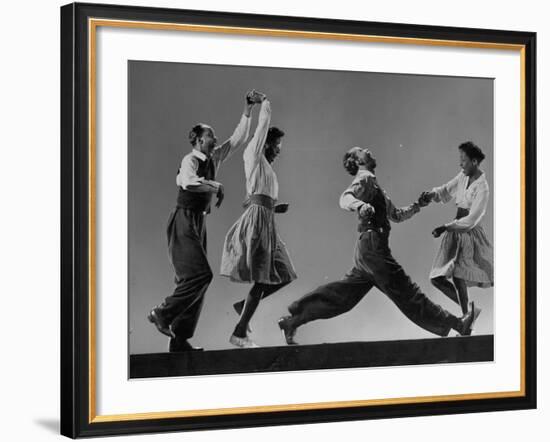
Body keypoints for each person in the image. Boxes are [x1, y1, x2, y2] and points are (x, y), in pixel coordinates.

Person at [278, 146, 477, 345]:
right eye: (361, 151)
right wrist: (361, 205)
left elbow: (397, 215)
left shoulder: (374, 186)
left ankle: (293, 321)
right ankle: (459, 324)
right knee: (407, 291)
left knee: (342, 298)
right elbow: (345, 198)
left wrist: (418, 205)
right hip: (373, 248)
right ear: (357, 162)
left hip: (367, 250)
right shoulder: (364, 180)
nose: (367, 150)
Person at [147, 90, 261, 352]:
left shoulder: (213, 158)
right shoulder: (190, 160)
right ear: (198, 140)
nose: (215, 138)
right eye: (210, 135)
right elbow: (187, 182)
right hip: (182, 221)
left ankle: (179, 340)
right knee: (199, 276)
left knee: (194, 280)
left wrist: (247, 110)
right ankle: (161, 313)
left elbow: (238, 138)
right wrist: (215, 185)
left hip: (198, 223)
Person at [220, 95, 297, 348]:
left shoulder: (267, 170)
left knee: (284, 274)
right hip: (257, 225)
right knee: (263, 280)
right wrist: (263, 102)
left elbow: (251, 197)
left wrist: (275, 207)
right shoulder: (253, 155)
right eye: (276, 146)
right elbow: (262, 126)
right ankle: (239, 332)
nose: (278, 151)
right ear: (266, 144)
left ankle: (244, 307)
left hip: (267, 223)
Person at [419, 141, 493, 325]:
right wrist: (430, 195)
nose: (461, 164)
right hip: (454, 231)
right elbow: (446, 190)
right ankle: (469, 312)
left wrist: (445, 227)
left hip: (468, 233)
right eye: (460, 160)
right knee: (437, 278)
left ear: (474, 162)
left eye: (464, 161)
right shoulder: (462, 176)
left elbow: (472, 219)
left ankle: (467, 317)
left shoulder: (482, 187)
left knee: (460, 276)